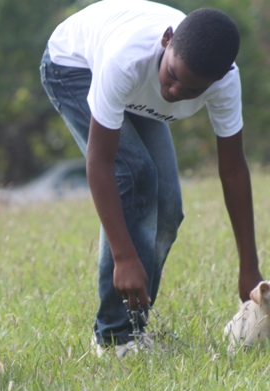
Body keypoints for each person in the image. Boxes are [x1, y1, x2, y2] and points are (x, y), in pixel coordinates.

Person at [40, 0, 263, 357]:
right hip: (73, 65)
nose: (174, 93)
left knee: (168, 209)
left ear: (218, 79)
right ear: (166, 40)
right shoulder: (126, 59)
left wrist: (249, 266)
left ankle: (135, 329)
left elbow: (234, 169)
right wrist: (124, 257)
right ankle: (115, 339)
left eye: (191, 91)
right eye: (173, 76)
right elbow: (101, 162)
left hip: (137, 88)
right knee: (137, 174)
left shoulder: (223, 83)